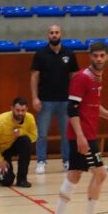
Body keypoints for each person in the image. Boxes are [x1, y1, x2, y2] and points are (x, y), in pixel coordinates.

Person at [47, 41, 108, 214]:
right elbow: (72, 109)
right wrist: (80, 136)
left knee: (74, 175)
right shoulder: (82, 78)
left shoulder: (98, 78)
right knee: (100, 173)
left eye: (102, 56)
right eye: (95, 56)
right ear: (90, 56)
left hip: (87, 134)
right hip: (82, 135)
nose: (99, 59)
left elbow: (94, 106)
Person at [30, 25, 79, 174]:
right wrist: (34, 98)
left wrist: (75, 98)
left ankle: (66, 160)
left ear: (61, 35)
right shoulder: (40, 54)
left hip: (65, 101)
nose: (54, 35)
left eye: (56, 32)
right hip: (45, 100)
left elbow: (75, 78)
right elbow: (34, 77)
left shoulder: (69, 54)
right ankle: (41, 161)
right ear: (48, 36)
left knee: (66, 134)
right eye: (51, 33)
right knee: (42, 134)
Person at [0, 97, 37, 189]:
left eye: (23, 110)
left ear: (26, 109)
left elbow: (34, 136)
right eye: (17, 110)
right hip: (0, 150)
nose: (20, 113)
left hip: (12, 145)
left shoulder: (30, 118)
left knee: (25, 141)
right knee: (7, 181)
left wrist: (22, 132)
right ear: (12, 108)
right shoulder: (0, 122)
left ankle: (22, 179)